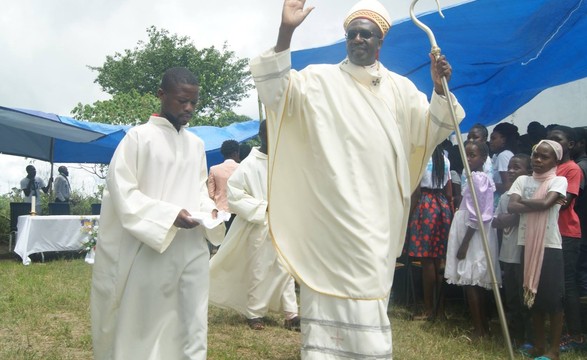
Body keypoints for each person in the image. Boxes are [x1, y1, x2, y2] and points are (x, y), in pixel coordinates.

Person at [250, 0, 465, 357]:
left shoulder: (401, 89)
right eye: (353, 33)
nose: (359, 38)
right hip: (331, 213)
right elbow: (276, 92)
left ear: (380, 42)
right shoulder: (319, 80)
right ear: (346, 39)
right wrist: (286, 31)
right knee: (326, 287)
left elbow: (433, 130)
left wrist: (440, 90)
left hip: (378, 215)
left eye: (367, 34)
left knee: (369, 290)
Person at [91, 67, 220, 360]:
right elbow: (123, 194)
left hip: (192, 248)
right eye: (181, 100)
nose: (188, 108)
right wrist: (169, 215)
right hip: (151, 248)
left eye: (193, 102)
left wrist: (210, 210)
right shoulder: (137, 139)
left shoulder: (196, 144)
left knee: (193, 321)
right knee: (146, 324)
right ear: (161, 95)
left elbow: (199, 188)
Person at [209, 120, 300, 331]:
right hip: (258, 225)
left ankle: (291, 313)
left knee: (286, 268)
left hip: (284, 224)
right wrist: (264, 207)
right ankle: (254, 313)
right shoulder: (249, 164)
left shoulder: (284, 161)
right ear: (261, 135)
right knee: (259, 269)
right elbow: (235, 195)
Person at [508, 140, 567, 360]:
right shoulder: (523, 179)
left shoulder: (559, 180)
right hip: (527, 243)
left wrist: (525, 200)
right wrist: (536, 201)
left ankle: (554, 350)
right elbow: (511, 206)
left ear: (555, 160)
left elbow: (546, 204)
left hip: (549, 245)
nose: (538, 160)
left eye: (545, 157)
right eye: (535, 156)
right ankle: (539, 345)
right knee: (532, 296)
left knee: (552, 300)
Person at [444, 141, 500, 338]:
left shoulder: (478, 179)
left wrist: (465, 243)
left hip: (472, 234)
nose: (468, 159)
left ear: (483, 158)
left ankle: (479, 329)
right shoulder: (474, 177)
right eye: (466, 155)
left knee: (472, 280)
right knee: (473, 281)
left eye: (473, 155)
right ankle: (482, 327)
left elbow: (477, 213)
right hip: (472, 230)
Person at [546, 125, 585, 351]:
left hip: (566, 233)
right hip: (549, 232)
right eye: (549, 139)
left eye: (557, 139)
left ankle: (576, 335)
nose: (551, 143)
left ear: (570, 144)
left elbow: (565, 201)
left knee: (568, 284)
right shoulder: (550, 167)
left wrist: (538, 203)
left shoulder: (572, 169)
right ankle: (558, 331)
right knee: (555, 285)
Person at [405, 144, 453, 321]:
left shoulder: (421, 160)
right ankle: (440, 310)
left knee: (426, 261)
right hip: (442, 206)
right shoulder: (445, 160)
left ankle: (428, 308)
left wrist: (409, 216)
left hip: (425, 206)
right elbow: (449, 191)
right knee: (439, 260)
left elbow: (416, 192)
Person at [492, 153, 532, 347]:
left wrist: (509, 218)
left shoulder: (529, 194)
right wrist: (508, 219)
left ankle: (529, 337)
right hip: (507, 254)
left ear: (528, 172)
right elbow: (496, 221)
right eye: (509, 167)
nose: (510, 171)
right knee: (512, 299)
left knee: (525, 299)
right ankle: (517, 336)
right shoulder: (505, 197)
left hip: (523, 254)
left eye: (516, 167)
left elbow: (516, 217)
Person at [208, 139, 240, 230]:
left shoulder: (214, 169)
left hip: (220, 212)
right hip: (238, 212)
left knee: (221, 239)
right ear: (236, 153)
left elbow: (211, 194)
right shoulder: (242, 168)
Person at [489, 122, 520, 206]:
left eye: (493, 138)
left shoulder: (504, 156)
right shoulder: (497, 155)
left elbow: (507, 187)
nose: (490, 142)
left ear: (503, 139)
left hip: (501, 202)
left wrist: (487, 184)